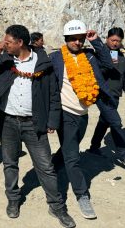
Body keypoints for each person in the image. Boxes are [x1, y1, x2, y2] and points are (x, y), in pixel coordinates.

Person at [0, 25, 75, 228]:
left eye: (8, 42)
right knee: (10, 163)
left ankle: (56, 206)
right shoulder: (5, 61)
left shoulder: (42, 63)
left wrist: (52, 121)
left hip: (35, 124)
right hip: (8, 122)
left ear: (20, 43)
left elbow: (53, 95)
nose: (4, 45)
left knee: (46, 167)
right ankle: (13, 199)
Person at [50, 20, 125, 220]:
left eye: (80, 39)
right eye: (73, 39)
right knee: (73, 157)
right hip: (64, 114)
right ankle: (82, 194)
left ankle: (51, 164)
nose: (77, 42)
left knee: (70, 146)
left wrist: (97, 42)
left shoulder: (90, 56)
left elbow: (109, 65)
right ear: (65, 39)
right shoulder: (56, 58)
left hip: (82, 115)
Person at [87, 27, 125, 159]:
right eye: (113, 40)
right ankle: (122, 153)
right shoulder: (101, 53)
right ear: (107, 39)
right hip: (103, 94)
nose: (115, 43)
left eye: (118, 41)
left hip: (115, 94)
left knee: (104, 121)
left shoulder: (121, 55)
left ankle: (94, 147)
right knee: (116, 123)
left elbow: (122, 76)